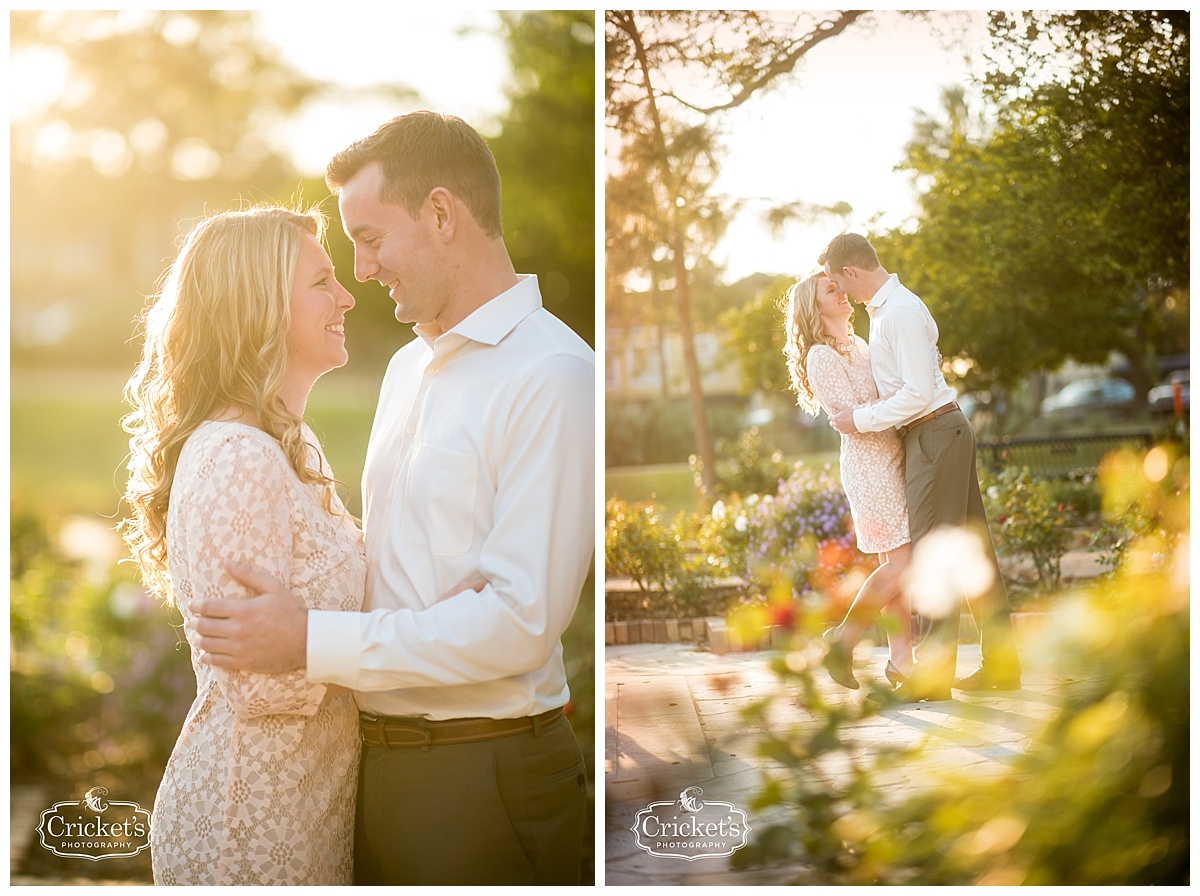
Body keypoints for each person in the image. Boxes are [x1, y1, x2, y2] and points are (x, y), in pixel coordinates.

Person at [187, 112, 595, 885]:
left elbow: (518, 625)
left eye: (370, 239)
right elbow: (405, 560)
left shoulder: (555, 376)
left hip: (479, 772)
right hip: (371, 770)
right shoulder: (409, 368)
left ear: (441, 214)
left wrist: (308, 639)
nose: (362, 271)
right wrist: (440, 607)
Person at [121, 206, 363, 884]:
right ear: (260, 305)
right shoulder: (236, 458)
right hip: (248, 829)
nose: (346, 297)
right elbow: (259, 684)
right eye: (322, 282)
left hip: (305, 812)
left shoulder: (292, 445)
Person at [820, 232, 1022, 702]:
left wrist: (859, 419)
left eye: (837, 282)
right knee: (978, 557)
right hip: (939, 434)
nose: (840, 292)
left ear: (850, 273)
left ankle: (930, 677)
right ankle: (1004, 666)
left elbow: (915, 394)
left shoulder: (900, 313)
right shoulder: (889, 312)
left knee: (933, 558)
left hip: (933, 433)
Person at [783, 272, 914, 691]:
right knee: (901, 565)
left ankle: (902, 664)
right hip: (869, 469)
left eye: (839, 286)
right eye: (830, 289)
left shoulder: (859, 344)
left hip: (893, 459)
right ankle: (842, 640)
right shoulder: (821, 357)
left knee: (895, 568)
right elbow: (850, 421)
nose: (841, 292)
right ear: (813, 307)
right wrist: (900, 402)